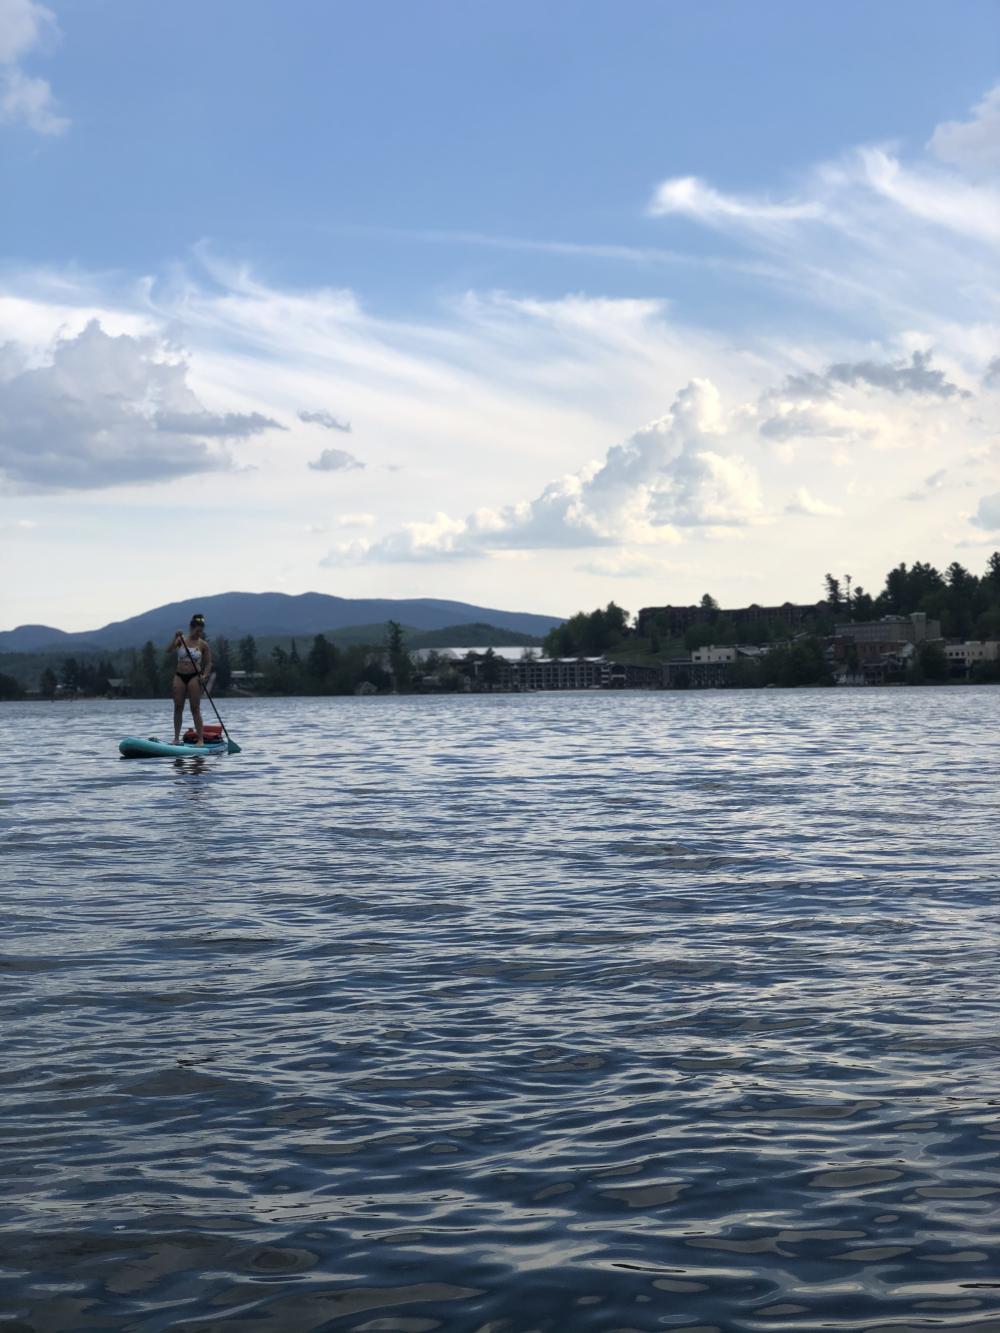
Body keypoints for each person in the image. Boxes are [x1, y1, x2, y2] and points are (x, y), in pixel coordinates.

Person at [167, 614, 212, 745]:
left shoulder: (203, 644)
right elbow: (169, 650)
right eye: (197, 630)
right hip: (179, 675)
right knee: (178, 706)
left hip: (194, 676)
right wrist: (175, 638)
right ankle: (176, 738)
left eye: (201, 631)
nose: (199, 633)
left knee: (195, 708)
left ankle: (200, 739)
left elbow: (209, 663)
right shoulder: (181, 640)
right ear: (191, 628)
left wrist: (205, 675)